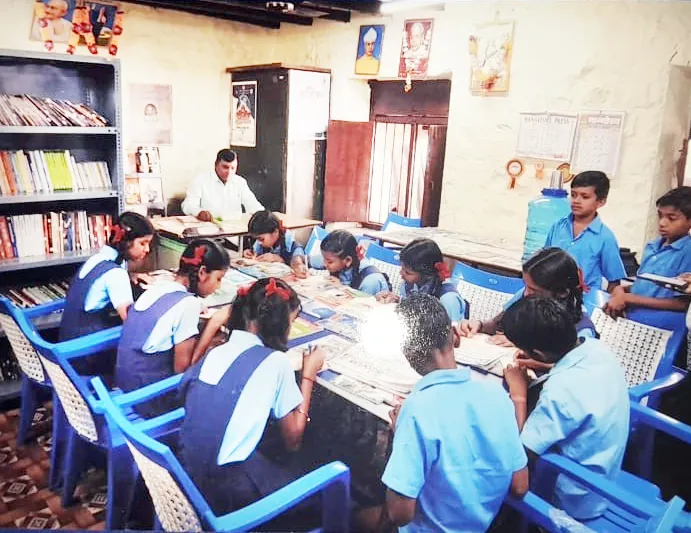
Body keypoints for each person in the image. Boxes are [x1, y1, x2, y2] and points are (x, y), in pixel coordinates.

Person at [364, 293, 528, 531]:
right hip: (480, 526)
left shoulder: (416, 411)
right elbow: (520, 485)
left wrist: (399, 434)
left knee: (354, 508)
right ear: (455, 339)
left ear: (407, 353)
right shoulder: (497, 396)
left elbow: (400, 514)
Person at [178, 278, 325, 522]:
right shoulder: (276, 362)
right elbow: (294, 440)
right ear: (279, 324)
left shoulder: (218, 351)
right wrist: (308, 374)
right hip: (226, 492)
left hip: (188, 473)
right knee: (317, 485)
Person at [502, 295, 630, 521]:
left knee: (495, 464)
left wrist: (518, 393)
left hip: (575, 500)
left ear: (538, 352)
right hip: (607, 470)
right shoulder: (596, 348)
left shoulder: (560, 393)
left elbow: (519, 456)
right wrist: (546, 364)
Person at [115, 240, 230, 418]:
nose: (218, 286)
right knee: (219, 386)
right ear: (202, 273)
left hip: (126, 384)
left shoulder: (160, 287)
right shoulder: (188, 304)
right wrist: (213, 326)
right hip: (150, 399)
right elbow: (183, 372)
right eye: (218, 278)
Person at [59, 212, 154, 375]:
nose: (147, 249)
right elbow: (130, 320)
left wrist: (131, 277)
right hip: (85, 357)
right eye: (143, 243)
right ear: (126, 242)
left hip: (67, 344)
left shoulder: (97, 259)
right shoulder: (116, 275)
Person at [458, 248, 597, 351]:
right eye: (526, 286)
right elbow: (496, 324)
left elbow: (568, 367)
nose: (525, 294)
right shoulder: (525, 295)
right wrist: (479, 325)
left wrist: (523, 344)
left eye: (534, 290)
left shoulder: (582, 331)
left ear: (561, 293)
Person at [605, 186, 691, 317]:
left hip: (662, 323)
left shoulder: (687, 252)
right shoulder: (653, 246)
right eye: (660, 216)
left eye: (672, 218)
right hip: (634, 316)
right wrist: (621, 290)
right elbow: (645, 286)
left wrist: (629, 298)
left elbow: (681, 304)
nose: (662, 223)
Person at [544, 171, 626, 293]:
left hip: (583, 302)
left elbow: (614, 282)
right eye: (573, 195)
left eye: (585, 197)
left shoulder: (605, 238)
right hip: (551, 297)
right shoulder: (558, 226)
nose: (576, 201)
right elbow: (544, 262)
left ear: (600, 202)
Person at [376, 238, 465, 324]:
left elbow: (451, 334)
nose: (401, 274)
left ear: (426, 275)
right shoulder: (412, 284)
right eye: (402, 268)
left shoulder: (448, 299)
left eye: (407, 272)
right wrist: (397, 301)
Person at [181, 149, 264, 222]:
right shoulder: (200, 180)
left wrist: (264, 216)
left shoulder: (240, 182)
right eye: (225, 167)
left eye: (233, 168)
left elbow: (253, 205)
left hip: (234, 233)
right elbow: (188, 205)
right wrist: (199, 212)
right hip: (208, 232)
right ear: (216, 165)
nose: (229, 172)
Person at [320, 229, 390, 296]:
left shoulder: (370, 281)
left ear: (348, 260)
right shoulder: (337, 258)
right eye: (324, 259)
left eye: (329, 262)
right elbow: (313, 260)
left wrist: (341, 288)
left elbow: (362, 306)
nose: (324, 264)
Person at [242, 210, 307, 278]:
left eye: (261, 239)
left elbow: (297, 263)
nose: (259, 242)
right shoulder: (262, 243)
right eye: (257, 239)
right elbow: (255, 253)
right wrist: (250, 253)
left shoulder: (292, 246)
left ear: (275, 232)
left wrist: (280, 260)